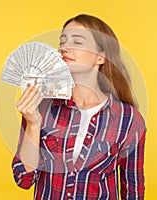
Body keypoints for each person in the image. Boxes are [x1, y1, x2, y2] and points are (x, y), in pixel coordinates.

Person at [12, 14, 147, 200]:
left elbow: (133, 190)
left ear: (100, 57)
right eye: (63, 40)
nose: (64, 48)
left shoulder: (129, 119)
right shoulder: (42, 105)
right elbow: (23, 179)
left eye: (77, 41)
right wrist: (33, 124)